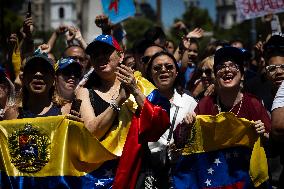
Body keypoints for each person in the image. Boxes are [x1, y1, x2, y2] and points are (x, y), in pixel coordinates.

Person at [76, 34, 170, 188]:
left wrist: (134, 90)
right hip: (100, 177)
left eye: (106, 52)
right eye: (95, 54)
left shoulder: (141, 85)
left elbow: (158, 122)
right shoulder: (84, 92)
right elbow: (90, 134)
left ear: (120, 56)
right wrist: (119, 100)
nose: (100, 57)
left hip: (137, 170)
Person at [173, 47, 271, 188]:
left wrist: (263, 134)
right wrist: (187, 126)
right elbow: (180, 140)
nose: (226, 70)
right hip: (214, 180)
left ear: (242, 75)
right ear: (216, 75)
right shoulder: (206, 104)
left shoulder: (253, 104)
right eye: (221, 67)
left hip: (246, 181)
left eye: (233, 65)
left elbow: (272, 146)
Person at [146, 51, 197, 188]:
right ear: (150, 74)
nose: (163, 70)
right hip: (149, 173)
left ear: (176, 72)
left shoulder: (189, 102)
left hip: (180, 173)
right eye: (157, 68)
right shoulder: (141, 101)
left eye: (169, 67)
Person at [17, 52, 61, 118]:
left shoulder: (65, 112)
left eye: (45, 70)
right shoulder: (13, 114)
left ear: (54, 80)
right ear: (23, 78)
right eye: (32, 70)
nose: (38, 74)